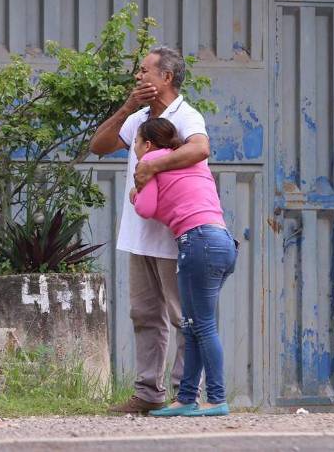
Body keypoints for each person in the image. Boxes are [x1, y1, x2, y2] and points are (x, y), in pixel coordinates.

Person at [90, 46, 209, 414]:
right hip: (138, 234)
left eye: (145, 71)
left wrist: (152, 167)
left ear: (166, 78)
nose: (138, 77)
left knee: (181, 317)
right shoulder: (139, 117)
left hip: (172, 234)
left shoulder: (186, 116)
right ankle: (148, 392)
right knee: (144, 314)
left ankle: (185, 395)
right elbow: (99, 145)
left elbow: (200, 149)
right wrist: (126, 107)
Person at [130, 118, 237, 417]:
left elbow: (146, 208)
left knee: (202, 325)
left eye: (136, 143)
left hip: (198, 242)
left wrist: (135, 195)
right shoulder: (192, 163)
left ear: (148, 144)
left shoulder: (151, 160)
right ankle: (186, 398)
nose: (136, 150)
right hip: (222, 242)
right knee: (191, 325)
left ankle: (216, 398)